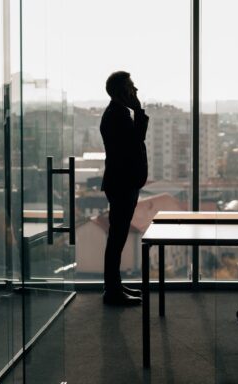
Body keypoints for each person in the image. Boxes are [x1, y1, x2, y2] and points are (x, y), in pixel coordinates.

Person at [99, 71, 149, 306]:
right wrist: (138, 110)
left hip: (123, 183)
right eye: (131, 87)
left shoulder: (118, 113)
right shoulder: (117, 116)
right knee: (117, 238)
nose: (136, 90)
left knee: (117, 238)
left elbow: (135, 141)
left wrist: (136, 111)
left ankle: (115, 285)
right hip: (122, 184)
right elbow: (135, 142)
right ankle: (112, 290)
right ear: (121, 92)